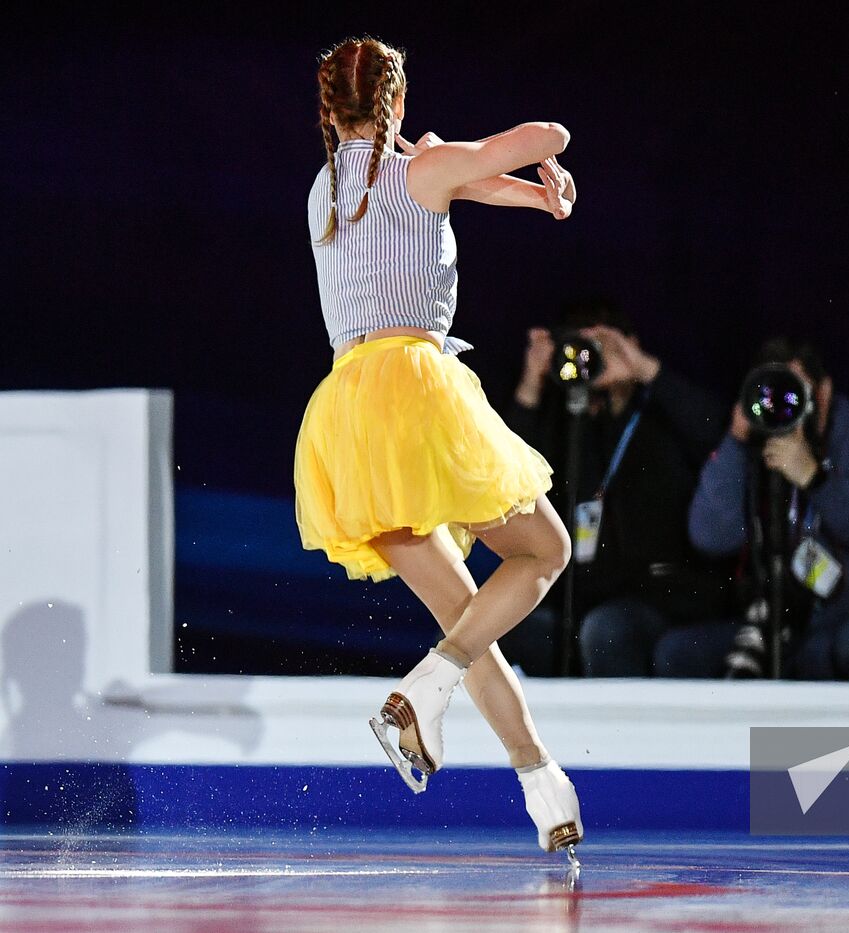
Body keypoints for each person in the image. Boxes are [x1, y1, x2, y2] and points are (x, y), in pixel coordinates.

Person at [291, 37, 582, 860]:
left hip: (347, 420)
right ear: (399, 99)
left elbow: (462, 182)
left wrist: (537, 201)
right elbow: (546, 134)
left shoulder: (322, 190)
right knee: (545, 550)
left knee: (467, 614)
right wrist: (537, 169)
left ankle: (541, 784)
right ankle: (427, 683)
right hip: (415, 392)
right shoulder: (422, 166)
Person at [675, 336, 849, 679]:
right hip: (793, 620)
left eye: (794, 390)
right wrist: (736, 441)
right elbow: (710, 536)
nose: (782, 404)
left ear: (824, 391)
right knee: (679, 652)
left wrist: (814, 478)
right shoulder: (759, 451)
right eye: (771, 393)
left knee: (841, 646)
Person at [498, 299, 733, 676]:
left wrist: (643, 369)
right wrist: (532, 383)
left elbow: (722, 436)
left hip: (660, 596)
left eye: (603, 348)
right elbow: (507, 480)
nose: (591, 360)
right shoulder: (565, 423)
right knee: (501, 624)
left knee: (606, 630)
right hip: (577, 595)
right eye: (579, 349)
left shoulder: (662, 414)